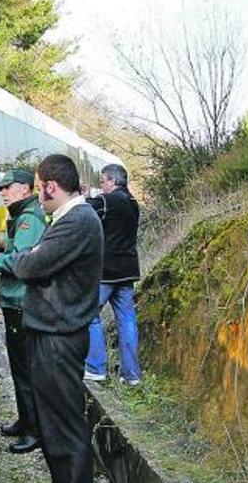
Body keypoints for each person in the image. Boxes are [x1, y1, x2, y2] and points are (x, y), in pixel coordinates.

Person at [12, 155, 103, 483]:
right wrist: (32, 256)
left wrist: (29, 257)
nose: (37, 196)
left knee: (63, 429)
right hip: (54, 335)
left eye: (38, 189)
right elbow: (33, 259)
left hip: (58, 341)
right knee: (55, 427)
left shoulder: (77, 220)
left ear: (51, 186)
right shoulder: (71, 219)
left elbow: (27, 266)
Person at [0, 169, 47, 454]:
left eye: (6, 188)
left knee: (24, 368)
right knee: (19, 366)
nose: (2, 194)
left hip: (21, 302)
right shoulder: (22, 215)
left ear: (22, 189)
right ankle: (25, 420)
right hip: (15, 302)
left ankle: (34, 430)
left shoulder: (28, 219)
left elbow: (21, 260)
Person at [83, 164, 142, 385]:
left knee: (89, 315)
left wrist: (83, 195)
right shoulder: (133, 202)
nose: (102, 187)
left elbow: (85, 208)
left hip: (106, 271)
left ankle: (95, 367)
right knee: (127, 321)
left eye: (103, 182)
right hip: (128, 271)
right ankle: (132, 375)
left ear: (112, 181)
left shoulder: (110, 200)